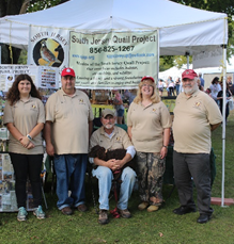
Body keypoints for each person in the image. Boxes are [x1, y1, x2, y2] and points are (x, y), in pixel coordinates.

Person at [172, 69, 222, 224]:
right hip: (179, 148)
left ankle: (205, 211)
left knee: (201, 183)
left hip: (198, 150)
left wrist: (200, 131)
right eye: (185, 80)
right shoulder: (180, 97)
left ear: (197, 81)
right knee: (181, 181)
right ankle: (187, 205)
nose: (187, 83)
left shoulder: (205, 99)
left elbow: (216, 121)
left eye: (190, 80)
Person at [44, 67, 94, 215]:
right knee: (62, 176)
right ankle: (64, 202)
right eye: (66, 78)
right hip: (61, 147)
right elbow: (48, 123)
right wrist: (49, 143)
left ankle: (79, 201)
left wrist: (87, 137)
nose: (68, 81)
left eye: (71, 78)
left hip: (81, 145)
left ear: (74, 79)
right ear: (61, 80)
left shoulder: (83, 97)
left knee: (79, 176)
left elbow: (90, 120)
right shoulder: (54, 98)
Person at [3, 74, 46, 222]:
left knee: (35, 179)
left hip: (35, 148)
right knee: (20, 179)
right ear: (17, 85)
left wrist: (28, 138)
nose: (25, 86)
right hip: (17, 148)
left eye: (27, 84)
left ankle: (37, 206)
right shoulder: (11, 103)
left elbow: (41, 124)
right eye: (22, 84)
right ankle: (21, 207)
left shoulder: (38, 103)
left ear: (31, 86)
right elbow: (9, 124)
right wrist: (23, 140)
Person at [127, 76, 171, 212]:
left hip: (155, 146)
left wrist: (164, 146)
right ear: (140, 88)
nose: (147, 88)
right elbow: (129, 125)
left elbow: (167, 127)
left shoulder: (160, 106)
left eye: (150, 86)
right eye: (144, 85)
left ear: (154, 89)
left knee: (155, 175)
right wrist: (133, 140)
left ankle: (156, 200)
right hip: (139, 147)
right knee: (142, 174)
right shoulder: (134, 105)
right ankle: (144, 199)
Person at [90, 109, 136, 225]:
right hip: (102, 165)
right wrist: (106, 164)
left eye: (111, 118)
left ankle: (122, 206)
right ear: (101, 120)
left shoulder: (121, 132)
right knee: (105, 172)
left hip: (121, 164)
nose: (108, 120)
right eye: (106, 118)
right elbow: (91, 158)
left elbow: (131, 149)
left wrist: (122, 162)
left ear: (115, 119)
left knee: (130, 174)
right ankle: (103, 209)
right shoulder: (95, 135)